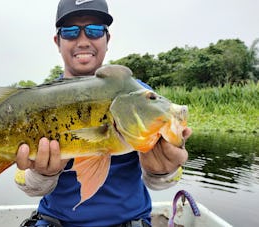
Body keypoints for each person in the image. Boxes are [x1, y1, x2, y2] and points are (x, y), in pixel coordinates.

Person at [15, 0, 191, 226]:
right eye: (69, 32)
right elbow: (26, 184)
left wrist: (162, 171)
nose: (83, 41)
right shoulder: (40, 104)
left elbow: (161, 183)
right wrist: (43, 175)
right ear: (57, 42)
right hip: (56, 221)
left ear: (107, 39)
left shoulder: (140, 95)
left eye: (95, 30)